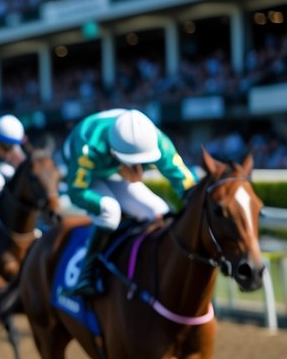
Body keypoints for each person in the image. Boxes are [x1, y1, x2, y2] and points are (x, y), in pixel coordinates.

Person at [61, 108, 196, 297]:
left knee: (159, 211)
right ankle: (86, 274)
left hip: (114, 170)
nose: (138, 168)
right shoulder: (87, 145)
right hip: (87, 176)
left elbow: (186, 182)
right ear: (114, 152)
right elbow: (76, 192)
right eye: (133, 162)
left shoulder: (157, 141)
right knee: (110, 211)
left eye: (144, 162)